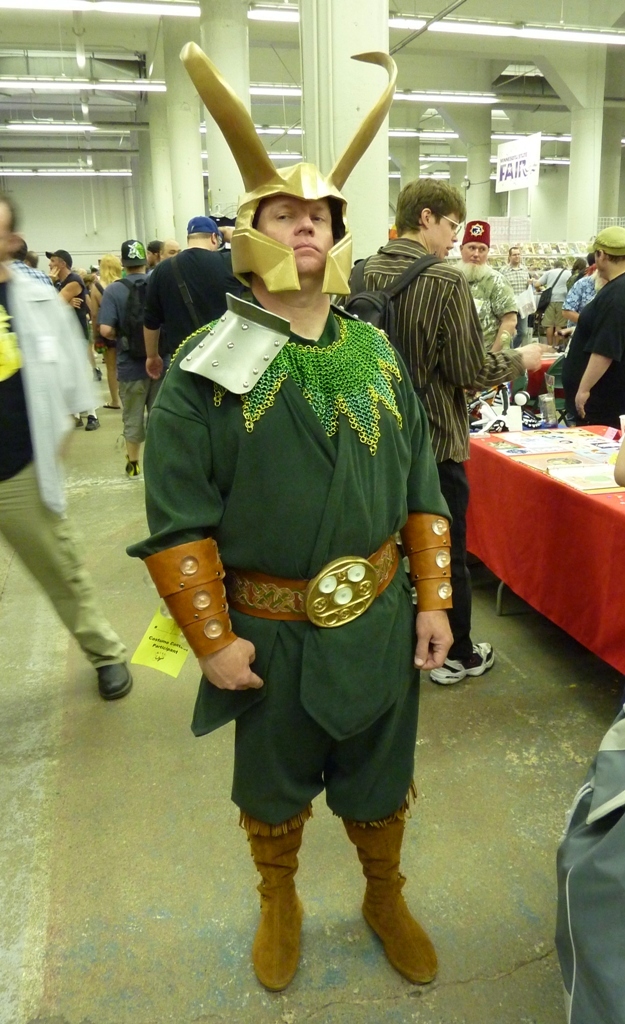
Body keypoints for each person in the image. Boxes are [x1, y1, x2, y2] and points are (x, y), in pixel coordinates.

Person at [129, 44, 455, 993]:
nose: (306, 224)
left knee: (380, 776)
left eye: (320, 214)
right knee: (272, 790)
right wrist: (209, 638)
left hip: (380, 618)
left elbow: (420, 486)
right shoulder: (204, 365)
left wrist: (433, 598)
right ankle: (279, 900)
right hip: (269, 631)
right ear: (251, 233)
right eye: (284, 213)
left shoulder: (377, 353)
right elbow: (177, 518)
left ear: (338, 235)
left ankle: (383, 894)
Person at [359, 179, 543, 686]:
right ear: (426, 218)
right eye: (452, 227)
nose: (454, 240)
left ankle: (388, 644)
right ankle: (455, 652)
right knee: (443, 549)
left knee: (383, 547)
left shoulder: (362, 270)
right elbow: (468, 370)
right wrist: (518, 360)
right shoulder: (445, 279)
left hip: (372, 434)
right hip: (434, 439)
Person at [0, 193, 132, 701]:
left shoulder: (33, 299)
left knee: (60, 569)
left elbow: (75, 371)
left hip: (17, 466)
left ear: (11, 241)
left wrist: (62, 434)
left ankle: (105, 653)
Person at [143, 215, 242, 380]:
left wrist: (152, 356)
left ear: (188, 239)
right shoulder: (229, 263)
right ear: (213, 238)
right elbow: (257, 251)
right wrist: (227, 231)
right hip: (225, 360)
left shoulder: (162, 270)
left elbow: (151, 321)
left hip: (183, 361)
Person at [98, 239, 167, 477]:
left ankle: (134, 463)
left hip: (130, 366)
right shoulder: (158, 283)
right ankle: (160, 463)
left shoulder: (113, 290)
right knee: (160, 415)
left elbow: (105, 329)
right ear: (144, 260)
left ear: (123, 263)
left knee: (133, 417)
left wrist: (122, 335)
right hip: (161, 361)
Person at [562, 227, 625, 428]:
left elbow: (606, 348)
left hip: (602, 401)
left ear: (602, 255)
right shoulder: (615, 288)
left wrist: (584, 389)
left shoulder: (617, 294)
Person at [46, 248, 100, 431]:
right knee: (70, 374)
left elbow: (52, 305)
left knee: (81, 373)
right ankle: (76, 415)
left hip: (76, 334)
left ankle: (92, 415)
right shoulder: (61, 283)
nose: (50, 264)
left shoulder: (73, 281)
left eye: (53, 261)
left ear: (62, 264)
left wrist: (54, 288)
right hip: (66, 334)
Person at [458, 221, 517, 352]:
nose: (476, 254)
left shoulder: (497, 282)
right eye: (471, 248)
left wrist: (492, 357)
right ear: (461, 249)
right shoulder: (451, 278)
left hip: (484, 358)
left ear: (488, 252)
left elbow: (510, 321)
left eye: (482, 249)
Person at [88, 253, 123, 410]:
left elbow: (94, 314)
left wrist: (96, 336)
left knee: (111, 367)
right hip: (125, 330)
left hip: (106, 330)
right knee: (126, 365)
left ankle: (115, 400)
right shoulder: (123, 284)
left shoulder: (96, 287)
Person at [535, 259, 571, 347]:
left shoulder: (549, 272)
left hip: (550, 300)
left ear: (554, 266)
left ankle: (549, 346)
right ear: (562, 266)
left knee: (549, 324)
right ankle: (557, 346)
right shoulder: (568, 273)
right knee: (559, 324)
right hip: (563, 299)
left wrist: (541, 289)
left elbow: (536, 285)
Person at [500, 245, 531, 347]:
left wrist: (530, 283)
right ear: (509, 257)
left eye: (518, 254)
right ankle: (509, 351)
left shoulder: (525, 269)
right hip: (510, 305)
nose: (517, 256)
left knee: (523, 332)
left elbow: (527, 286)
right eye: (514, 255)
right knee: (508, 331)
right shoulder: (504, 271)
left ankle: (512, 349)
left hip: (523, 305)